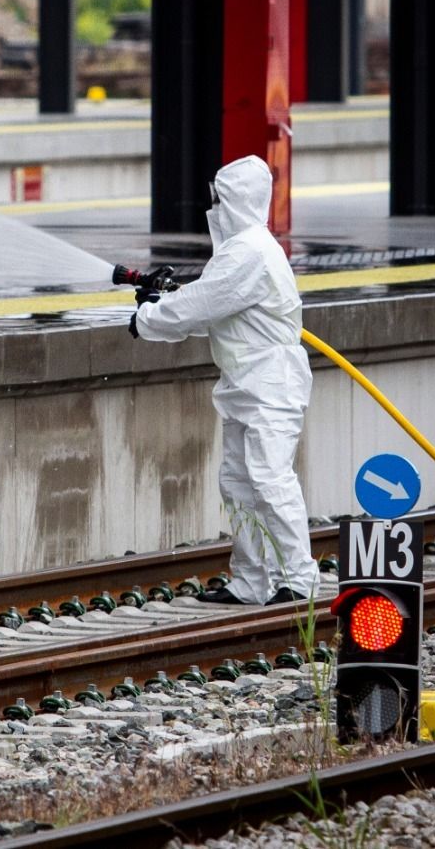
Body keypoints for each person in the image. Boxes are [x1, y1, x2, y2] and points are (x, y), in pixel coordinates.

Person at [129, 155, 319, 605]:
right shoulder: (240, 252)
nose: (213, 206)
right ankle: (252, 581)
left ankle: (300, 579)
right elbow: (211, 309)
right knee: (238, 482)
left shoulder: (249, 252)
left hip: (270, 384)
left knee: (270, 480)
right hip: (245, 382)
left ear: (237, 200)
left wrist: (147, 318)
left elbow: (201, 305)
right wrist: (160, 308)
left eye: (220, 198)